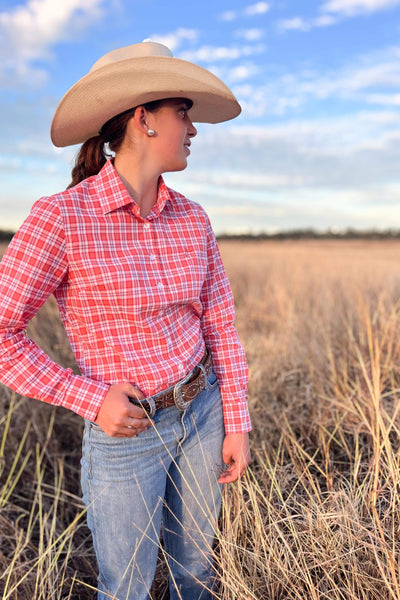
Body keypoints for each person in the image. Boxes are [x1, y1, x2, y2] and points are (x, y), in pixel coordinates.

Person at [0, 41, 251, 599]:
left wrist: (235, 417)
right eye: (182, 113)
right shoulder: (62, 218)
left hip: (202, 413)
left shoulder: (192, 217)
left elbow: (220, 323)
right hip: (126, 436)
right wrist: (89, 400)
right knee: (128, 586)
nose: (192, 128)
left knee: (198, 573)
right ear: (144, 119)